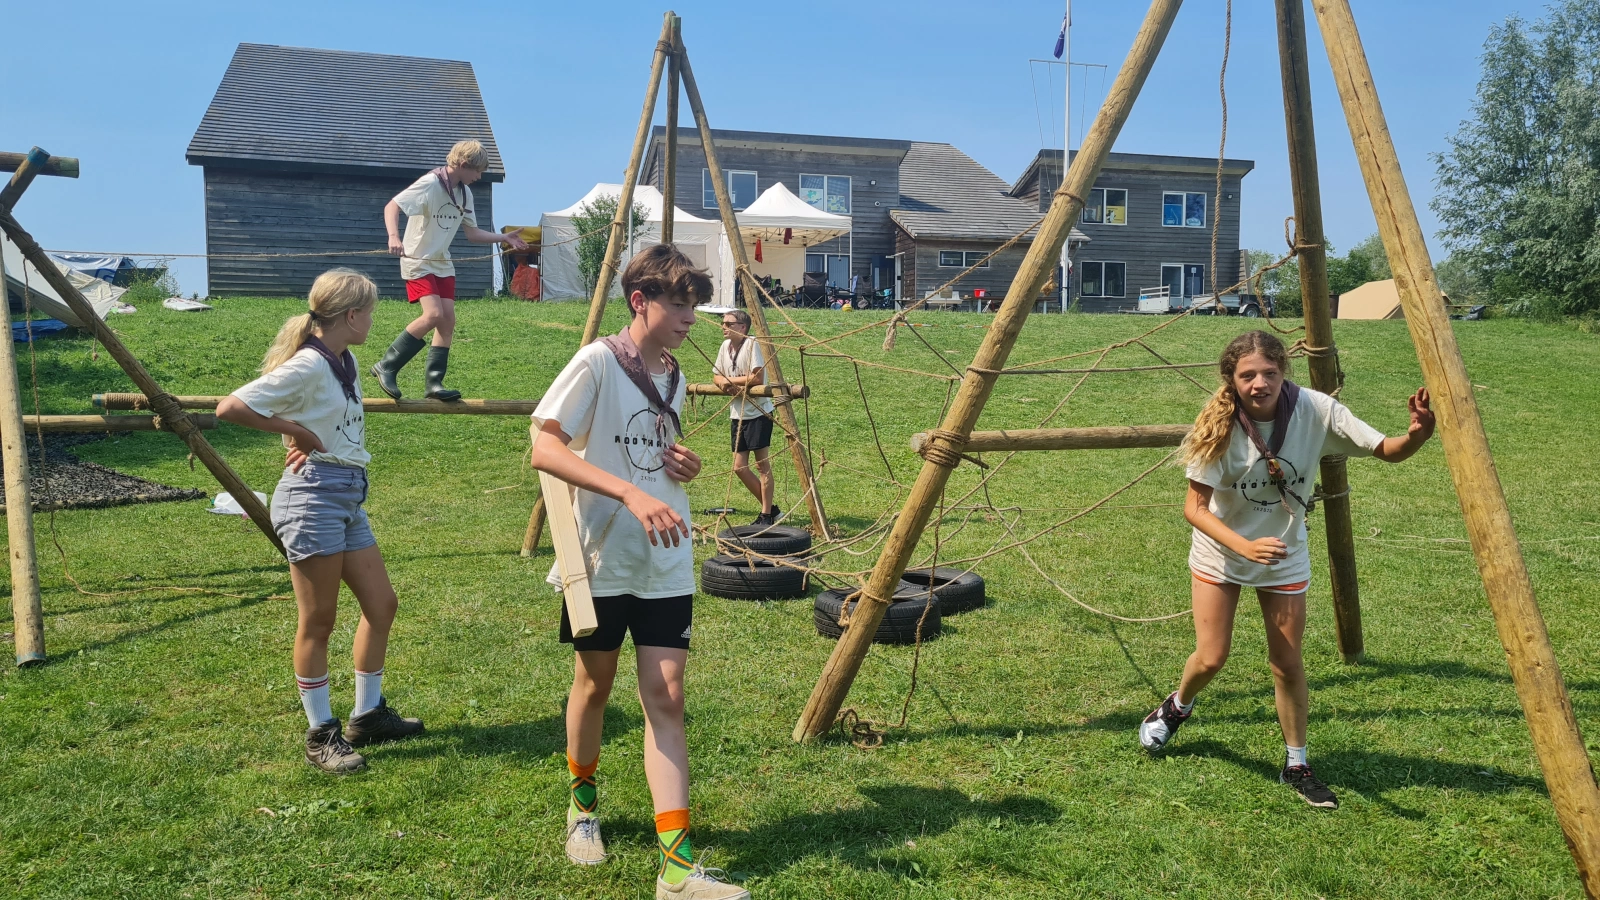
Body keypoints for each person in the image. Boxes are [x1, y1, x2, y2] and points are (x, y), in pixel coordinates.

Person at [530, 243, 747, 899]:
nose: (689, 317)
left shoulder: (677, 376)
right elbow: (542, 445)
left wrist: (685, 468)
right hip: (599, 560)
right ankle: (583, 809)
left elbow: (652, 457)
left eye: (694, 306)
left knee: (668, 696)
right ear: (639, 301)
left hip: (665, 561)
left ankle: (676, 870)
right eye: (678, 304)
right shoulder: (598, 361)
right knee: (593, 687)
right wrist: (627, 492)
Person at [1137, 330, 1435, 809]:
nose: (1260, 383)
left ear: (1284, 372)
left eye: (1270, 373)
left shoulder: (1316, 409)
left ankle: (1297, 764)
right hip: (1222, 552)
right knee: (1212, 657)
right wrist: (1245, 548)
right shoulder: (1216, 424)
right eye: (1247, 375)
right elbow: (1195, 509)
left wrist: (1417, 436)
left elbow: (1387, 450)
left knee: (1287, 662)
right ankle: (1176, 707)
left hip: (1284, 556)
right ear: (1231, 380)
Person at [217, 269, 425, 775]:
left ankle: (367, 715)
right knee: (319, 620)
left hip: (348, 494)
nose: (374, 321)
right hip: (312, 499)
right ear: (351, 316)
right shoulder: (310, 363)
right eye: (370, 312)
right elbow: (231, 408)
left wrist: (302, 431)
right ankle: (320, 734)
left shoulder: (344, 360)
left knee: (382, 604)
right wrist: (293, 431)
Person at [370, 139, 528, 402]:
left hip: (442, 263)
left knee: (447, 321)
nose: (479, 176)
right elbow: (392, 206)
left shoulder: (465, 193)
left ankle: (434, 382)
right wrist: (393, 237)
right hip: (418, 260)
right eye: (477, 171)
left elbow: (472, 233)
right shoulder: (430, 184)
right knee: (432, 314)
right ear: (463, 164)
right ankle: (386, 365)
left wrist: (504, 238)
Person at [711, 309, 779, 526]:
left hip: (758, 412)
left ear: (742, 327)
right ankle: (772, 509)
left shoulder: (752, 344)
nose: (724, 326)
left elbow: (758, 377)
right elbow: (716, 374)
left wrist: (730, 381)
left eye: (729, 323)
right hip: (737, 413)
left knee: (761, 465)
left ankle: (766, 515)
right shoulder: (725, 347)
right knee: (739, 467)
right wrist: (722, 382)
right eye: (723, 323)